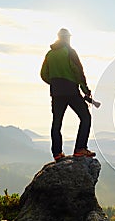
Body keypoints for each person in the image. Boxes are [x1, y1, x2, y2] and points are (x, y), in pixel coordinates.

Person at [41, 28, 96, 161]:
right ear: (67, 38)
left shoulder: (50, 54)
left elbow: (43, 74)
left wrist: (55, 83)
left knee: (57, 122)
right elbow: (78, 72)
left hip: (56, 93)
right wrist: (86, 91)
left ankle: (57, 153)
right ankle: (80, 149)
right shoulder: (70, 52)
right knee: (85, 117)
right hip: (71, 91)